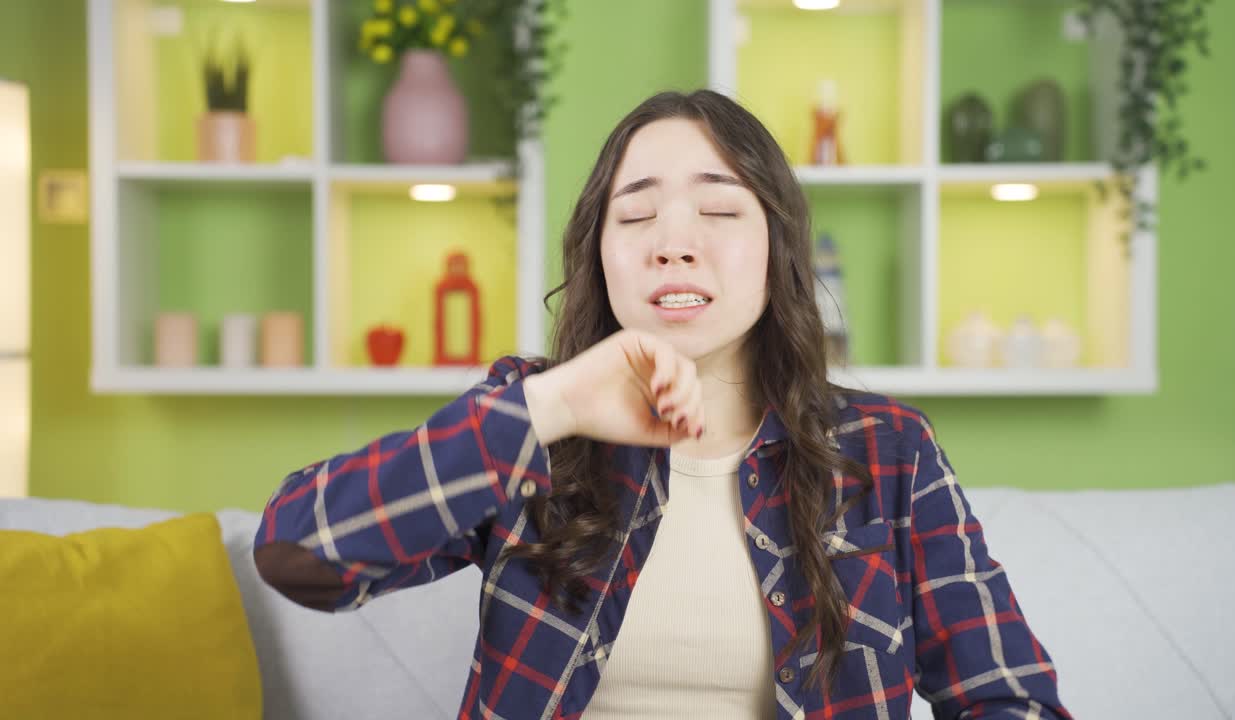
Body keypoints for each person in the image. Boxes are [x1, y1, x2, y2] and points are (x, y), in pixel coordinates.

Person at [253, 89, 1071, 720]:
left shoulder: (889, 449)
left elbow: (1012, 698)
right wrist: (551, 406)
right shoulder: (531, 416)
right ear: (600, 256)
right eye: (635, 212)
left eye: (719, 209)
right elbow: (296, 553)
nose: (673, 239)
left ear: (776, 247)